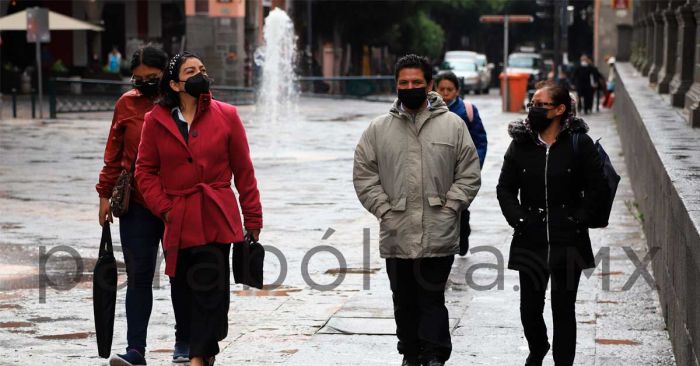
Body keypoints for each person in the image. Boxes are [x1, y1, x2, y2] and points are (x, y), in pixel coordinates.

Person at [135, 52, 262, 366]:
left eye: (202, 69)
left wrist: (253, 215)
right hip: (177, 219)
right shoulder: (155, 120)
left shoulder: (227, 115)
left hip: (217, 215)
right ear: (176, 84)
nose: (199, 75)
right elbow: (144, 171)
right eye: (190, 71)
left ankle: (197, 358)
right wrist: (165, 208)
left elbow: (244, 170)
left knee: (210, 287)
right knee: (185, 292)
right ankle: (204, 349)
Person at [353, 54, 481, 366]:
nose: (410, 88)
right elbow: (364, 174)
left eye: (416, 83)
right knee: (404, 299)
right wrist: (383, 209)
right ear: (395, 86)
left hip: (439, 230)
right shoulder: (377, 130)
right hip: (396, 231)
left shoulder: (453, 126)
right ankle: (410, 353)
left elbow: (469, 172)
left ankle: (435, 354)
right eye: (404, 83)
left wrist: (451, 207)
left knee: (432, 297)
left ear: (430, 85)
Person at [496, 81, 608, 366]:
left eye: (540, 104)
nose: (533, 109)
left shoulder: (578, 143)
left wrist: (577, 219)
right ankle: (538, 345)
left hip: (568, 238)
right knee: (529, 308)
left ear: (559, 109)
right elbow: (505, 188)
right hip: (529, 236)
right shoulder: (521, 143)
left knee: (563, 309)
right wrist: (519, 219)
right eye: (532, 103)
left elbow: (598, 188)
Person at [96, 45, 192, 366]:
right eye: (138, 79)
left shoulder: (182, 102)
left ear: (166, 74)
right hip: (136, 204)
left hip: (175, 203)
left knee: (181, 274)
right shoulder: (126, 104)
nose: (144, 84)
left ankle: (184, 340)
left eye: (152, 77)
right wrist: (104, 194)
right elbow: (114, 152)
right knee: (138, 276)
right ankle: (136, 349)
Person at [434, 71, 487, 256]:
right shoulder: (428, 110)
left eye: (450, 89)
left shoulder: (468, 111)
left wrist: (475, 166)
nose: (445, 93)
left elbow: (480, 140)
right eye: (441, 89)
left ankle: (462, 234)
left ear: (457, 91)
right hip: (437, 170)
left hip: (461, 170)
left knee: (460, 206)